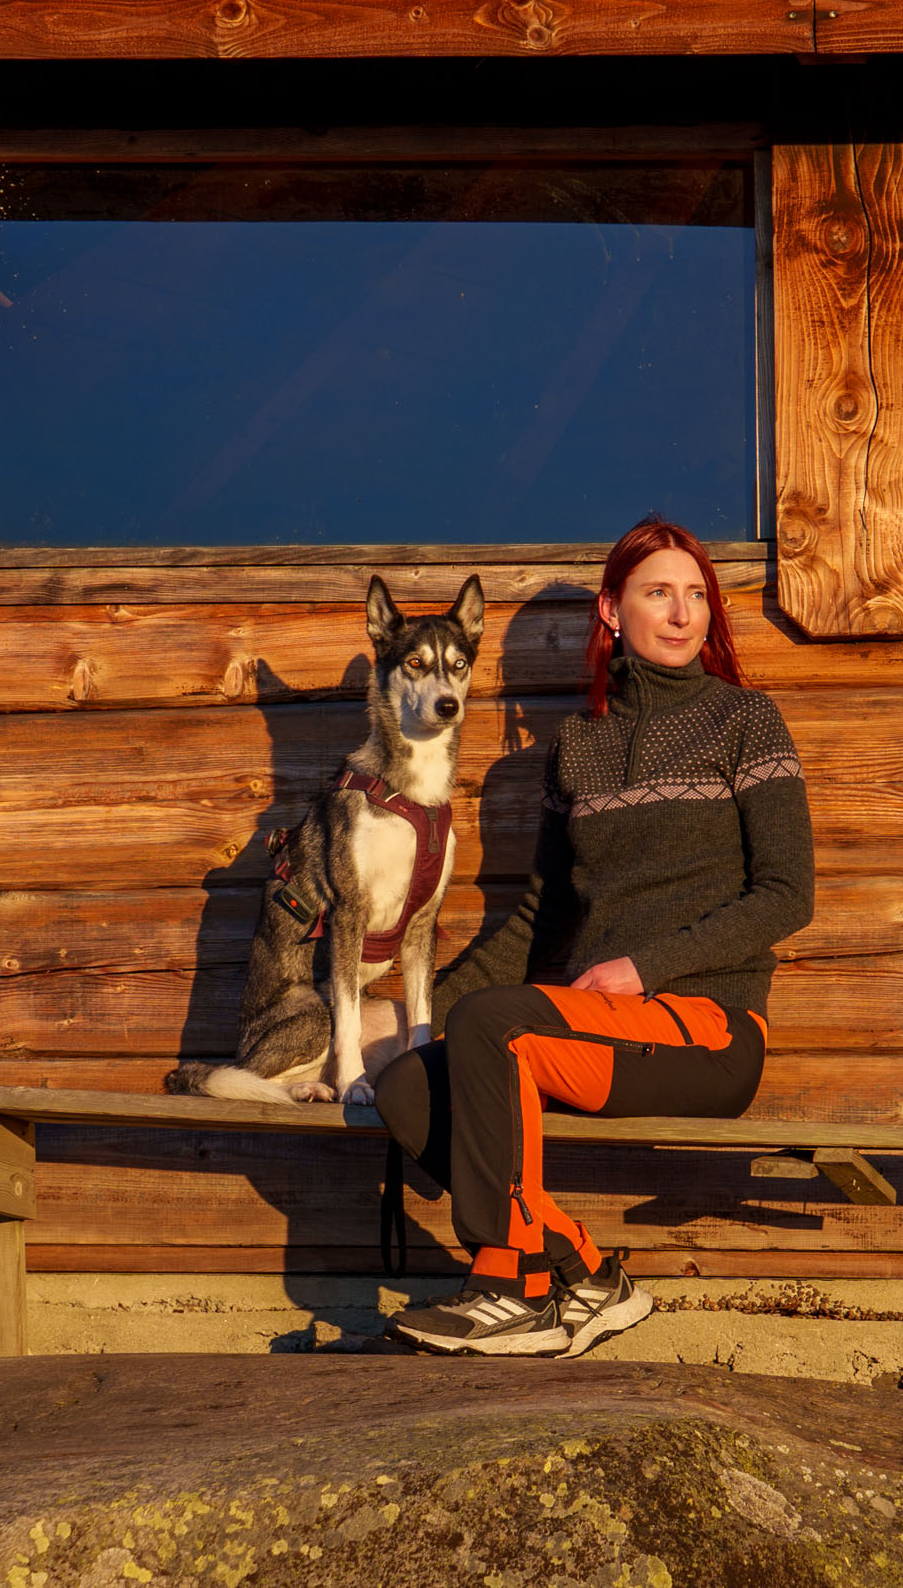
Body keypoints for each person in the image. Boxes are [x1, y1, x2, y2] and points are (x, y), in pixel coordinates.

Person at [375, 517, 815, 1357]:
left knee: (496, 1030)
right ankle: (582, 1265)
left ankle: (510, 1285)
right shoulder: (576, 747)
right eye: (660, 593)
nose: (683, 613)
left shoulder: (745, 722)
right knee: (407, 1088)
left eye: (697, 596)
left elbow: (787, 895)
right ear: (613, 609)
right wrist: (415, 1017)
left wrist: (645, 968)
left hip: (707, 1030)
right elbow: (540, 923)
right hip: (591, 1026)